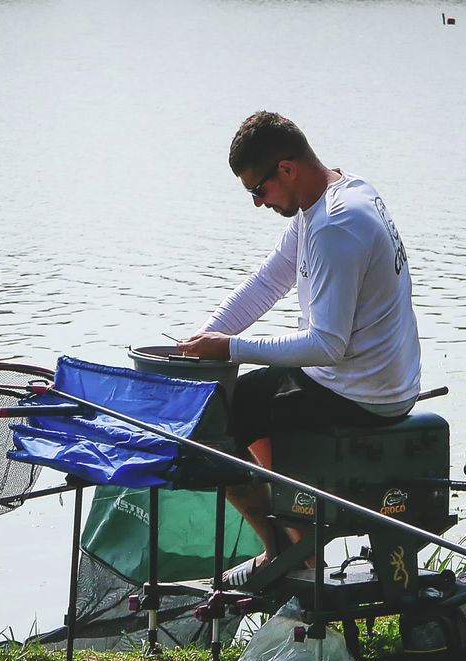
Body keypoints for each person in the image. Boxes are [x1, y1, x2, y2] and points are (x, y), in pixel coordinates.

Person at [178, 111, 421, 585]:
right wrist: (200, 343)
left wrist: (230, 350)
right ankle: (295, 530)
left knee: (213, 423)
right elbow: (269, 281)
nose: (256, 203)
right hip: (377, 375)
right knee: (241, 398)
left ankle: (288, 552)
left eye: (257, 190)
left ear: (286, 169)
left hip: (362, 391)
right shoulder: (337, 195)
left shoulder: (335, 227)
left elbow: (326, 346)